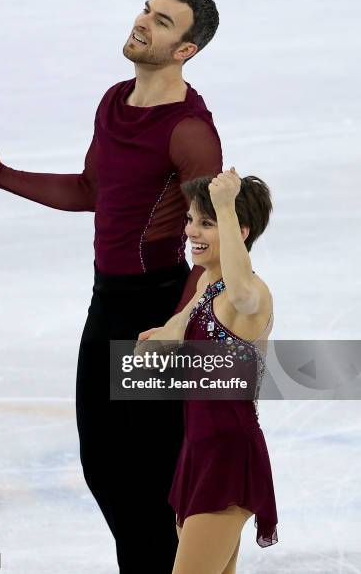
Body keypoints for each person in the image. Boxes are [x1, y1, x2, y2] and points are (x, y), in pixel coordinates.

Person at [0, 0, 223, 574]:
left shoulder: (190, 131)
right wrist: (1, 175)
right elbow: (91, 192)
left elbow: (217, 249)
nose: (142, 22)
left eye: (161, 21)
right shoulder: (114, 101)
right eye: (146, 10)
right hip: (109, 306)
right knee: (106, 470)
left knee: (154, 486)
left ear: (185, 50)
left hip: (161, 312)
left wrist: (181, 326)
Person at [138, 168, 278, 573]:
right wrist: (157, 343)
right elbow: (175, 328)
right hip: (199, 451)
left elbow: (242, 294)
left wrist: (226, 205)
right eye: (190, 219)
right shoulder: (207, 285)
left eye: (207, 222)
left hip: (228, 455)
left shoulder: (249, 292)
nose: (191, 232)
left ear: (240, 229)